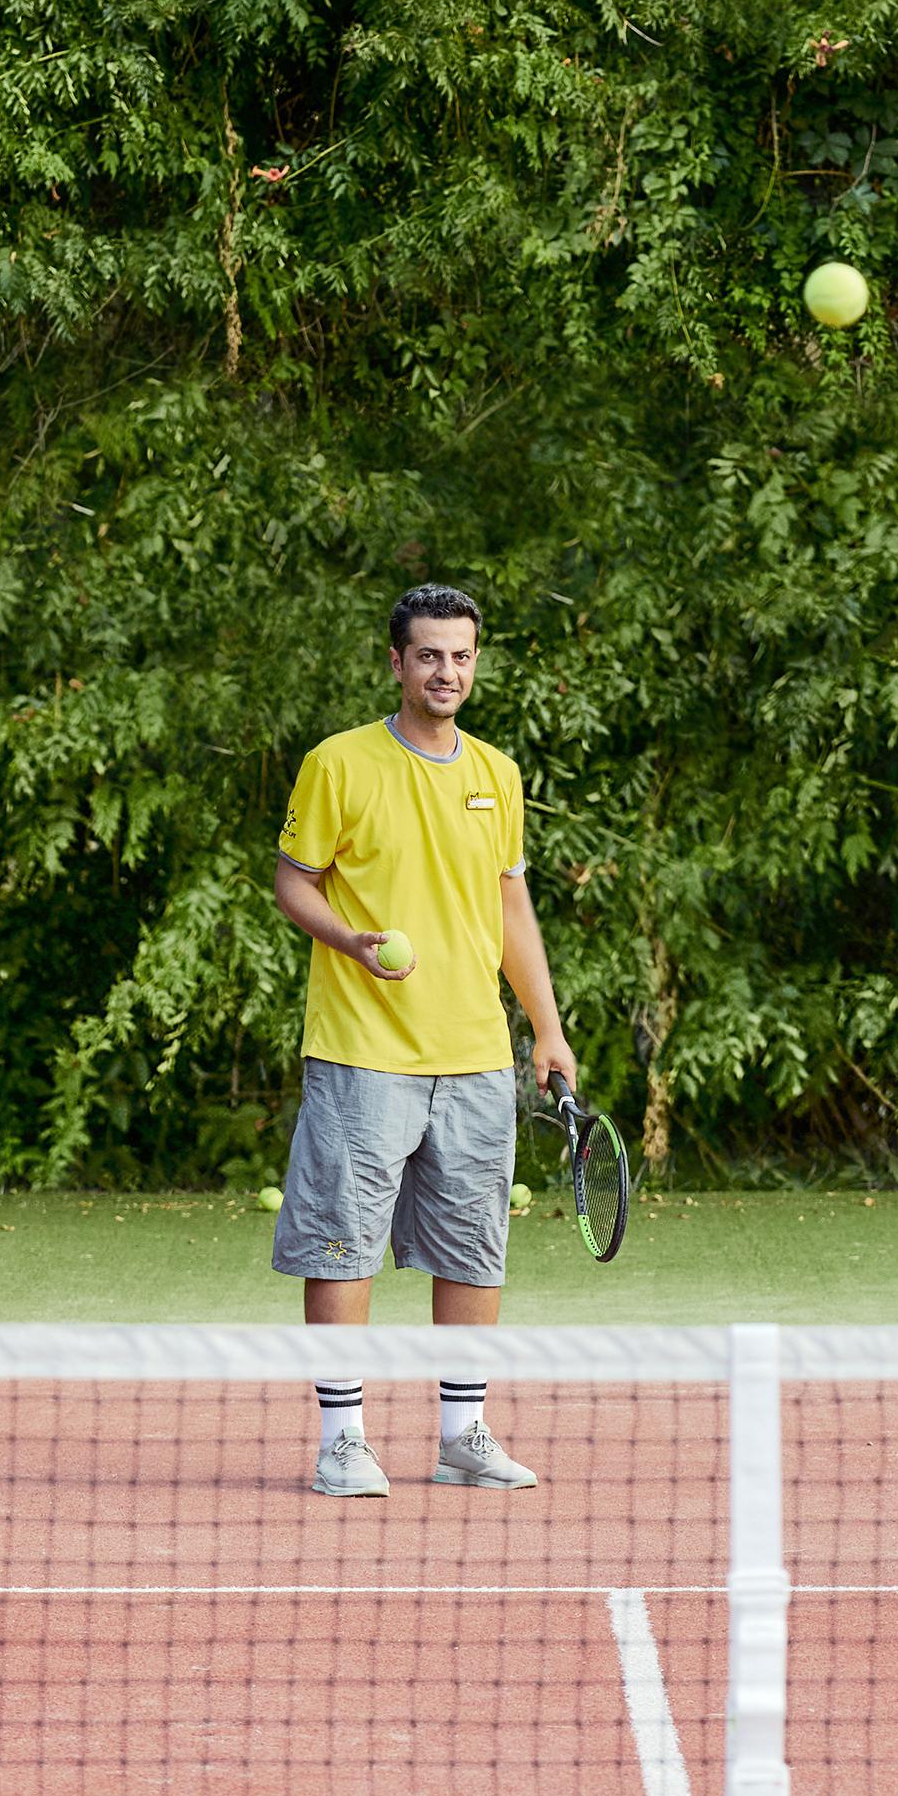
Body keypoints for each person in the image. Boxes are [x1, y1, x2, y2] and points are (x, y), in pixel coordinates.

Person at [267, 584, 575, 1496]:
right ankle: (342, 1441)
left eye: (464, 655)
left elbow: (511, 907)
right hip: (363, 1051)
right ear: (397, 661)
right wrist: (349, 940)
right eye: (431, 655)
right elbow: (293, 882)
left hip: (476, 1054)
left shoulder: (497, 774)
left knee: (475, 1245)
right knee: (342, 1243)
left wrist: (546, 1030)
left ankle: (463, 1434)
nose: (449, 671)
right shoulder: (337, 764)